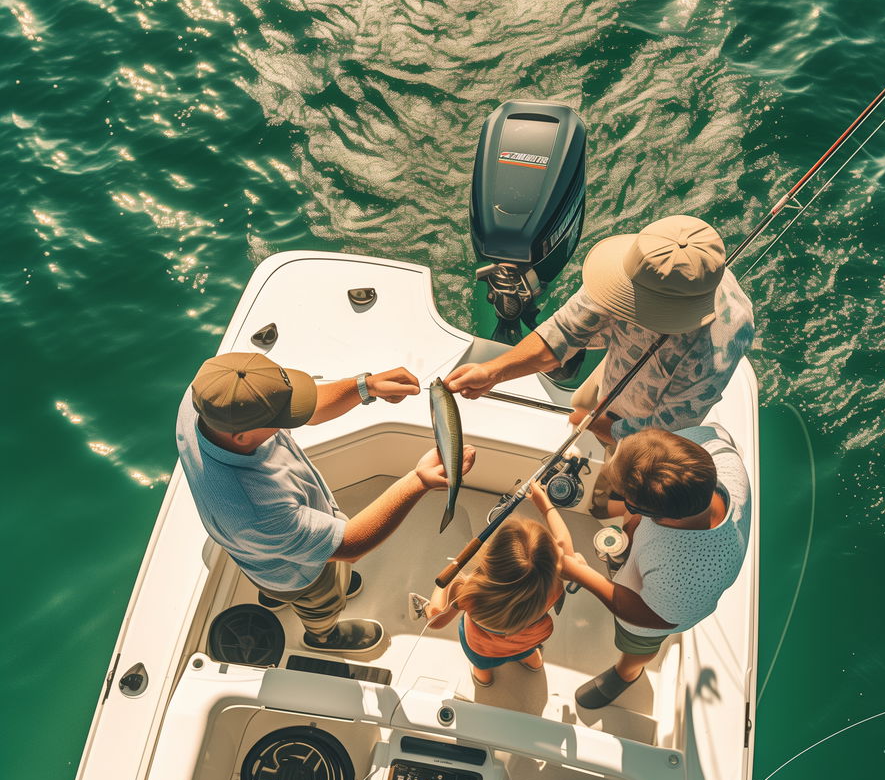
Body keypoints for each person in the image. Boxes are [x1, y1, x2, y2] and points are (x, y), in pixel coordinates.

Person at [176, 351, 476, 655]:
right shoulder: (256, 508)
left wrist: (366, 386)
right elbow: (349, 546)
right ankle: (322, 636)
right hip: (299, 575)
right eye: (284, 416)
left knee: (279, 574)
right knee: (322, 599)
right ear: (241, 437)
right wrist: (419, 481)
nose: (294, 416)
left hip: (259, 552)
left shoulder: (205, 396)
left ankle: (275, 594)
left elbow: (306, 407)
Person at [445, 215, 754, 448]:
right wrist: (494, 372)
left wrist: (597, 425)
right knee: (581, 400)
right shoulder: (638, 267)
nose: (625, 303)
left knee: (614, 475)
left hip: (637, 422)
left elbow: (663, 433)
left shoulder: (718, 345)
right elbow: (564, 331)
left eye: (639, 304)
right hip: (611, 376)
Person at [561, 424, 750, 709]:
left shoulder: (690, 573)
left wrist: (579, 573)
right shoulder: (718, 454)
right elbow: (718, 432)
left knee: (636, 644)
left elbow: (653, 617)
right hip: (651, 558)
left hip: (654, 616)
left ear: (644, 510)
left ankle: (627, 673)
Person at [411, 482, 571, 687]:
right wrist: (544, 504)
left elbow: (435, 620)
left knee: (482, 665)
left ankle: (484, 679)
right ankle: (534, 663)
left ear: (491, 555)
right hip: (527, 640)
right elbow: (564, 543)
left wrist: (448, 579)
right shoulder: (555, 582)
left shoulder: (466, 590)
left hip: (483, 649)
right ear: (551, 563)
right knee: (528, 652)